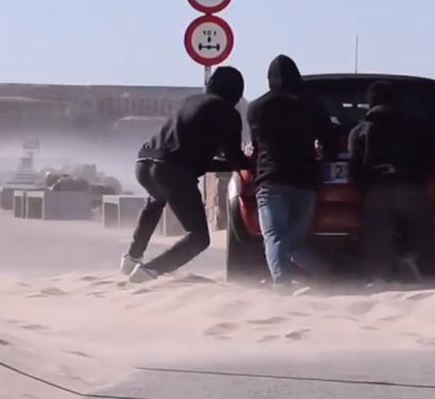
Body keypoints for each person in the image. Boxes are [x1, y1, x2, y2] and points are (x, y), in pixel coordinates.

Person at [120, 66, 253, 283]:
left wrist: (223, 164)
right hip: (171, 170)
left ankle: (132, 258)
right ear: (236, 92)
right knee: (199, 238)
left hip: (144, 161)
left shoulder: (191, 101)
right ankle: (150, 271)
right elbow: (235, 159)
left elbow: (192, 156)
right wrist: (255, 164)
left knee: (156, 199)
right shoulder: (227, 112)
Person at [245, 55, 339, 288]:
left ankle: (283, 283)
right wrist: (325, 154)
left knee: (275, 237)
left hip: (271, 179)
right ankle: (323, 273)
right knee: (293, 241)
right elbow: (331, 141)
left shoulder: (257, 107)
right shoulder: (311, 104)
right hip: (305, 181)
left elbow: (256, 145)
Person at [348, 81, 435, 282]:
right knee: (422, 235)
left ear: (371, 103)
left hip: (377, 191)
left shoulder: (360, 131)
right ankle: (426, 275)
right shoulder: (420, 127)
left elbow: (354, 170)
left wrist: (365, 189)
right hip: (413, 189)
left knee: (378, 239)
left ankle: (382, 279)